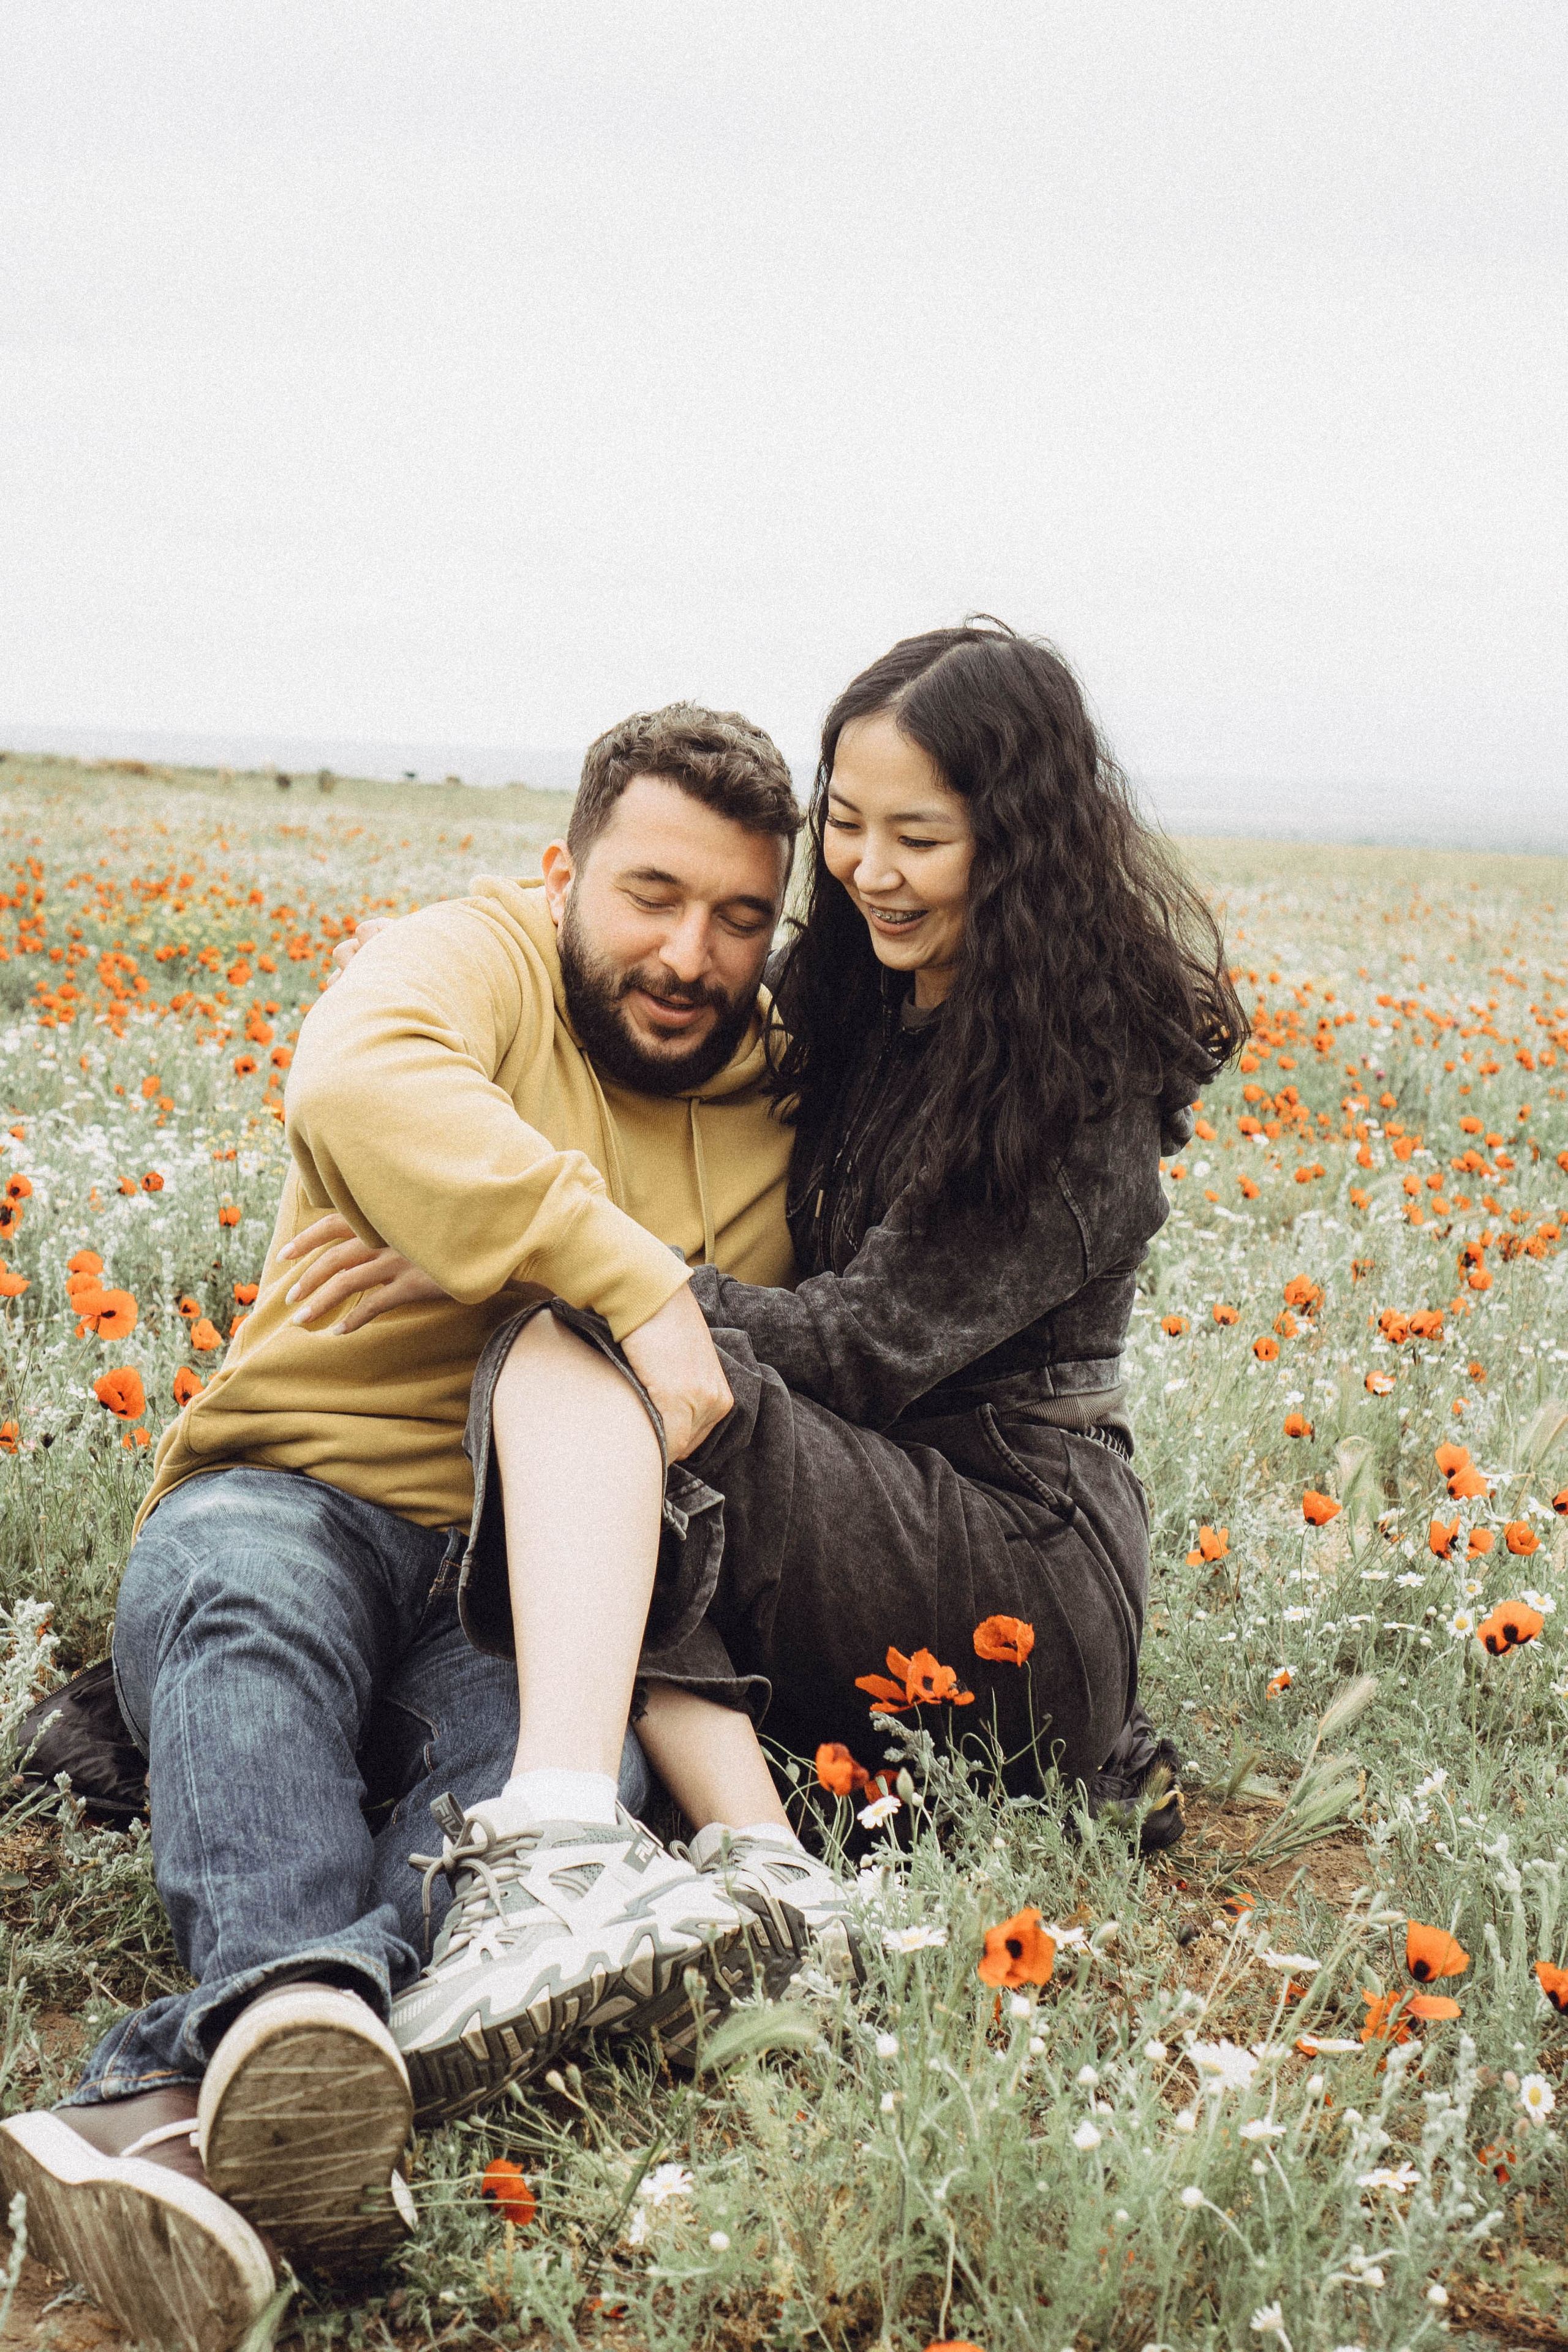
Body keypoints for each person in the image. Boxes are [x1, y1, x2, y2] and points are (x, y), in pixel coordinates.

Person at [300, 620, 1241, 2091]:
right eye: (846, 826)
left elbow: (859, 1350)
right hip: (872, 1498)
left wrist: (557, 1252)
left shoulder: (1074, 1088)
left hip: (1018, 1557)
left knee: (585, 1343)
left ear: (1019, 840)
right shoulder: (861, 996)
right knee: (609, 1406)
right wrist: (476, 1190)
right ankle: (766, 1880)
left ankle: (560, 1844)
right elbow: (650, 1053)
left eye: (917, 836)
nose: (867, 869)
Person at [0, 704, 832, 2351]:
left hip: (527, 1570)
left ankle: (190, 2101)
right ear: (559, 877)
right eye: (651, 896)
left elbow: (809, 1344)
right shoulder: (473, 962)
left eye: (742, 918)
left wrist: (495, 1245)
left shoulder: (783, 1104)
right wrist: (615, 1266)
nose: (691, 952)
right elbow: (359, 1081)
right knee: (251, 1632)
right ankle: (291, 2018)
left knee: (562, 1799)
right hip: (291, 1484)